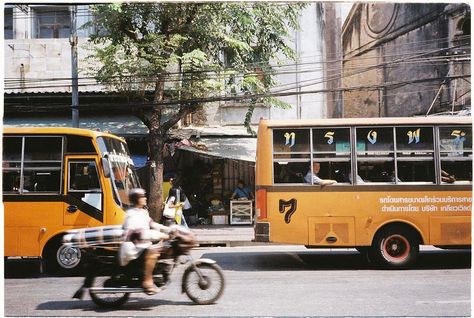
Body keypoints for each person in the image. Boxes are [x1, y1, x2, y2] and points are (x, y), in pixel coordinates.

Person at [121, 188, 172, 295]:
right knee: (153, 252)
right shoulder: (131, 215)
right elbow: (138, 234)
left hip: (141, 246)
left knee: (162, 249)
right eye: (142, 196)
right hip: (132, 249)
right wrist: (160, 235)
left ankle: (157, 272)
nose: (145, 198)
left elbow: (152, 224)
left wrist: (169, 229)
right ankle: (147, 281)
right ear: (136, 199)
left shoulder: (142, 212)